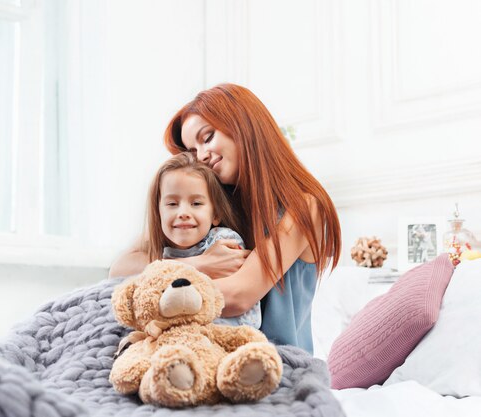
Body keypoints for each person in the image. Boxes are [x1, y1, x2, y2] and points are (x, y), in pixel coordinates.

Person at [110, 83, 341, 354]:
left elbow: (239, 296)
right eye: (193, 151)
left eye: (207, 138)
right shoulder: (214, 206)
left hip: (275, 364)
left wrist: (157, 289)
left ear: (244, 126)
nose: (202, 156)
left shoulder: (303, 208)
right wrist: (198, 263)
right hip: (210, 357)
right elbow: (121, 268)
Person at [145, 152, 261, 328]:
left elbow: (234, 305)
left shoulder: (223, 242)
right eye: (172, 204)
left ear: (216, 214)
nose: (183, 212)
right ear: (158, 212)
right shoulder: (162, 250)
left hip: (225, 337)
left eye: (196, 204)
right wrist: (198, 264)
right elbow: (119, 270)